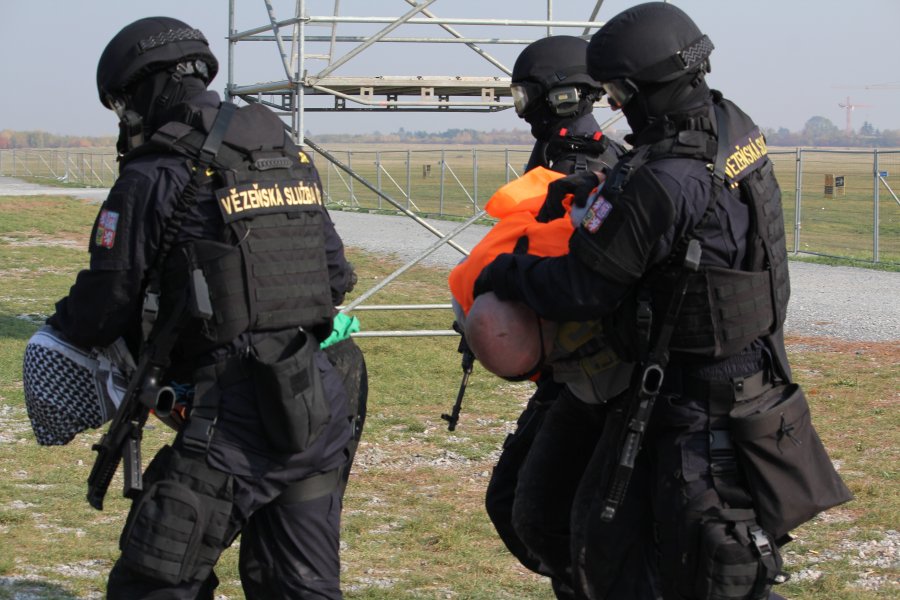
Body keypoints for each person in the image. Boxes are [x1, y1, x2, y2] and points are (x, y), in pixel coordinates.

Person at [474, 3, 797, 598]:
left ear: (650, 85)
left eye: (622, 92)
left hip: (692, 400)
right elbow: (687, 220)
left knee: (690, 567)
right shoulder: (730, 126)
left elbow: (582, 288)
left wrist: (507, 272)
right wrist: (602, 188)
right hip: (740, 378)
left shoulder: (669, 177)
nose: (619, 107)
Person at [48, 16, 361, 599]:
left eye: (122, 106)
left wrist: (60, 329)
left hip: (234, 419)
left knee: (152, 583)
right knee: (299, 589)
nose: (125, 121)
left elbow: (104, 305)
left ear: (144, 90)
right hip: (315, 405)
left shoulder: (156, 171)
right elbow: (336, 277)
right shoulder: (283, 155)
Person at [474, 35, 625, 598]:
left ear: (558, 96)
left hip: (587, 373)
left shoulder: (584, 167)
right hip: (570, 370)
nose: (522, 107)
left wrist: (508, 280)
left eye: (525, 95)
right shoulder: (564, 158)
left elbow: (579, 282)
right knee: (526, 509)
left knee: (537, 513)